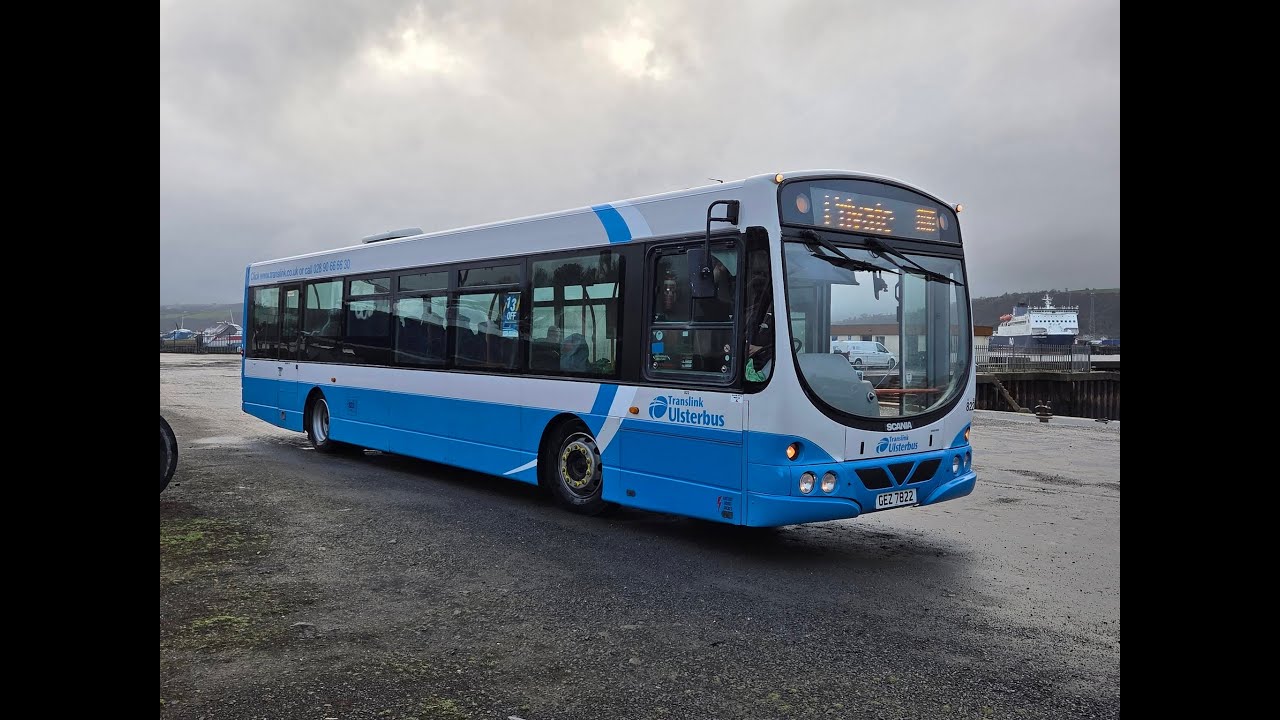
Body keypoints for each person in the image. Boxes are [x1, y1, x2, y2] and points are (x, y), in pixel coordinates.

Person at [744, 273, 775, 382]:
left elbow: (785, 346)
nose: (757, 298)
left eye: (760, 293)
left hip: (768, 369)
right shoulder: (746, 315)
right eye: (755, 292)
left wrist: (760, 349)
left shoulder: (776, 315)